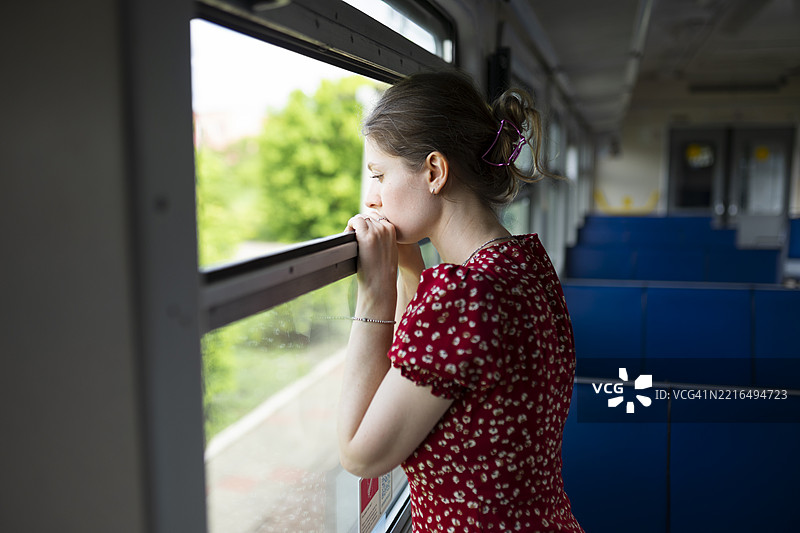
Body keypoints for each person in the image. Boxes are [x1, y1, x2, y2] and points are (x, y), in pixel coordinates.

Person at [337, 70, 583, 532]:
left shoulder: (461, 295)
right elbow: (432, 363)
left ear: (434, 171)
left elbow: (358, 453)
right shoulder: (525, 264)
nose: (372, 198)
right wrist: (408, 269)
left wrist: (375, 293)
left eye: (379, 175)